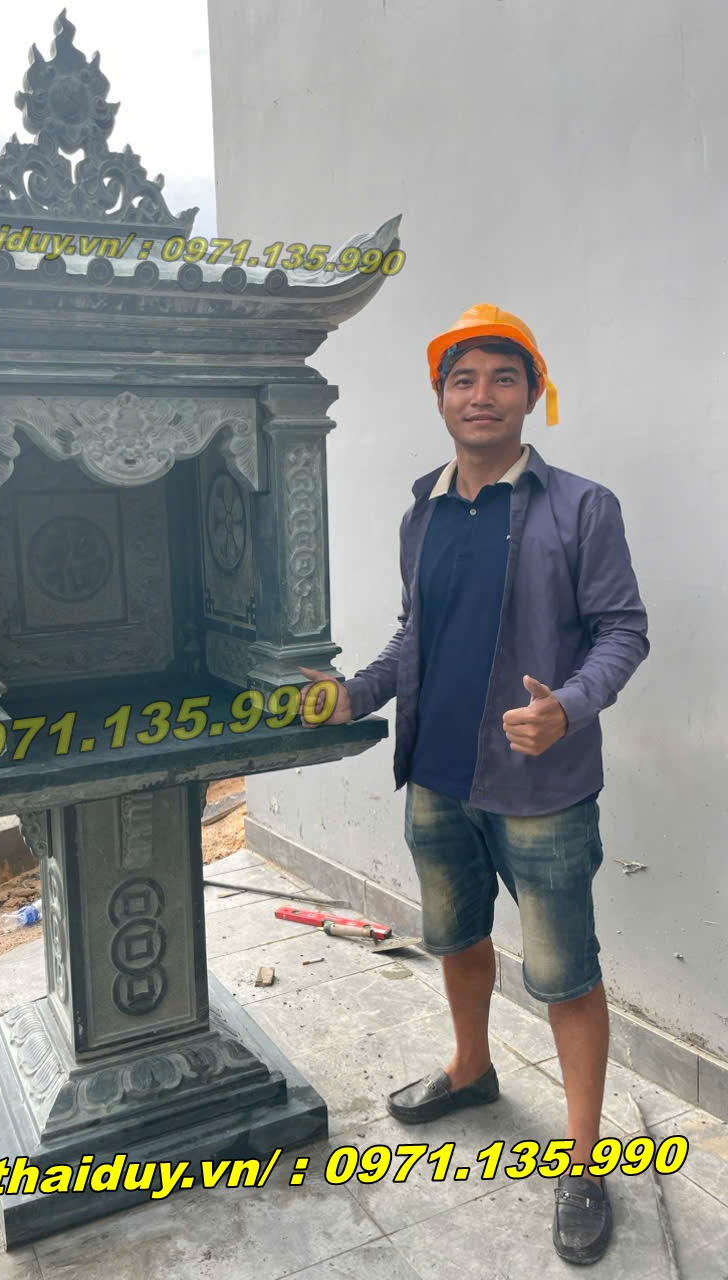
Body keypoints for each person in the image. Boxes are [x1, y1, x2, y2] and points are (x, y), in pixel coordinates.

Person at [298, 304, 648, 1266]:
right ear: (440, 396)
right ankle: (471, 1066)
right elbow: (416, 636)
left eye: (502, 377)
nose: (481, 394)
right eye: (463, 379)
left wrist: (569, 707)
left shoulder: (583, 508)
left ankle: (584, 1159)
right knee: (456, 938)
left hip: (541, 787)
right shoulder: (423, 512)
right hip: (438, 777)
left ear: (532, 394)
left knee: (564, 973)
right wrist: (354, 694)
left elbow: (623, 630)